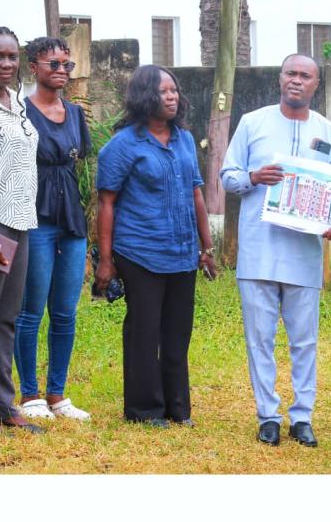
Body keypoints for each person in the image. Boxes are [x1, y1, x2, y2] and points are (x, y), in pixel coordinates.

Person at [220, 54, 331, 447]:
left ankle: (302, 416)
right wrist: (253, 177)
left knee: (304, 340)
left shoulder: (330, 132)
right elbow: (228, 176)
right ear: (280, 79)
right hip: (258, 250)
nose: (297, 81)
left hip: (303, 254)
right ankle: (268, 415)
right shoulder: (252, 123)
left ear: (315, 84)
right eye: (291, 73)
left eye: (305, 76)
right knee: (260, 338)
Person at [95, 64, 216, 428]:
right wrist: (105, 260)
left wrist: (206, 247)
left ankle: (178, 409)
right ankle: (144, 410)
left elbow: (196, 193)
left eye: (174, 90)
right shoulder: (122, 146)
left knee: (178, 332)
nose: (172, 96)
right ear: (145, 96)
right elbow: (106, 203)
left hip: (181, 252)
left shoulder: (183, 140)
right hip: (140, 252)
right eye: (164, 90)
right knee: (145, 332)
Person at [13, 37, 91, 422]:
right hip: (35, 219)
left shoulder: (75, 114)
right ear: (34, 68)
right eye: (53, 64)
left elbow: (80, 166)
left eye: (67, 65)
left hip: (71, 222)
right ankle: (29, 394)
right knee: (31, 311)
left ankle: (58, 394)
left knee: (65, 312)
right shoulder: (20, 111)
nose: (61, 71)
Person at [0, 25, 44, 435]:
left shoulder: (17, 103)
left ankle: (4, 405)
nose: (7, 64)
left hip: (21, 221)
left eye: (11, 56)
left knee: (8, 318)